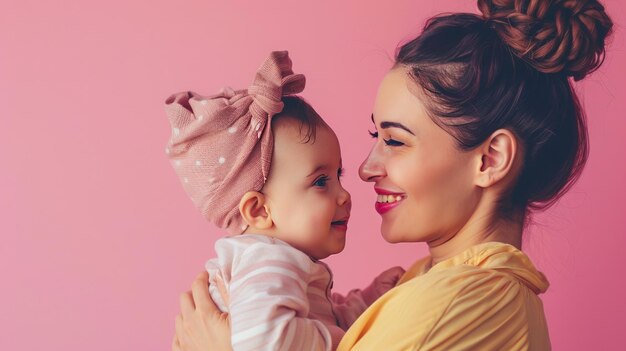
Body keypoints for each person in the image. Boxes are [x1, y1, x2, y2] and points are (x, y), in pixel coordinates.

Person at [172, 0, 614, 350]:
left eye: (396, 141)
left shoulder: (467, 301)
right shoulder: (425, 279)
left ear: (490, 159)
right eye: (374, 135)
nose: (365, 169)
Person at [165, 51, 404, 351]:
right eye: (320, 181)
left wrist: (367, 300)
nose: (344, 194)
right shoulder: (268, 261)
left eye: (338, 174)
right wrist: (350, 344)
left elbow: (313, 321)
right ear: (259, 210)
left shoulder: (266, 260)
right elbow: (267, 342)